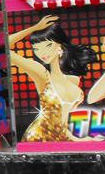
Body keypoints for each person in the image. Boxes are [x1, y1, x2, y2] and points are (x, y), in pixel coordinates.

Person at [9, 14, 98, 142]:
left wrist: (79, 140)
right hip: (36, 139)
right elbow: (3, 45)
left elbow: (59, 124)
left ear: (60, 46)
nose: (42, 53)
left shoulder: (73, 80)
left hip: (58, 140)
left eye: (47, 45)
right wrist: (33, 28)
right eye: (36, 49)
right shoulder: (41, 73)